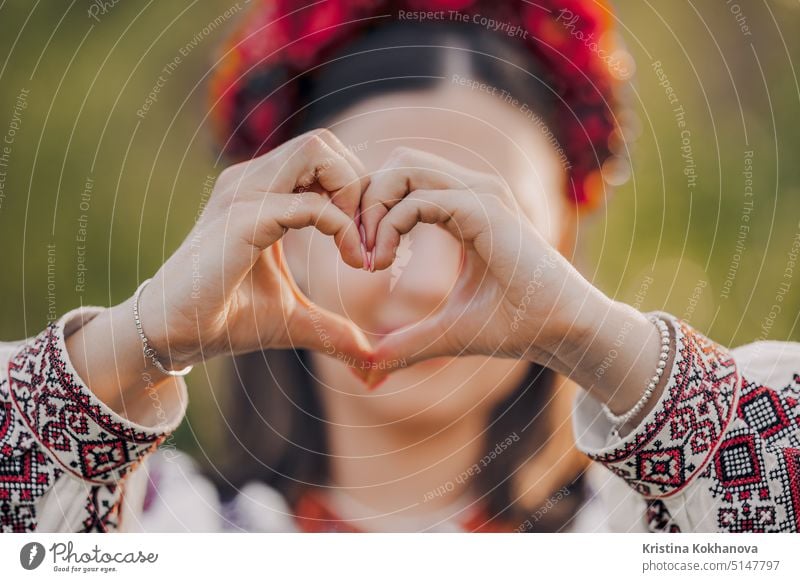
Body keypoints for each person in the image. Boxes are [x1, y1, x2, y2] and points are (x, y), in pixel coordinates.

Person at [2, 0, 798, 534]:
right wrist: (139, 336)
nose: (421, 282)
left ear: (558, 254)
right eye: (374, 212)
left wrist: (595, 338)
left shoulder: (653, 536)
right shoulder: (146, 525)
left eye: (490, 225)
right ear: (276, 231)